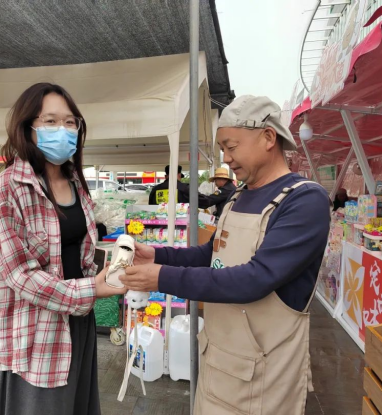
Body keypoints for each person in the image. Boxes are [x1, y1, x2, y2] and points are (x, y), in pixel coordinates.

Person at [120, 95, 331, 415]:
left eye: (231, 147)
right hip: (217, 361)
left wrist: (162, 277)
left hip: (262, 378)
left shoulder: (304, 201)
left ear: (268, 137)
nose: (226, 158)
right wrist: (158, 256)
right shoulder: (237, 197)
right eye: (222, 149)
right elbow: (212, 253)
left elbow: (255, 279)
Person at [0, 83, 125, 415]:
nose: (62, 130)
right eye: (50, 121)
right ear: (28, 127)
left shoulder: (76, 181)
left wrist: (115, 266)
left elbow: (78, 249)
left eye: (70, 122)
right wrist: (92, 288)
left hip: (79, 321)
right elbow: (21, 276)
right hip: (37, 329)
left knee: (77, 405)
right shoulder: (9, 188)